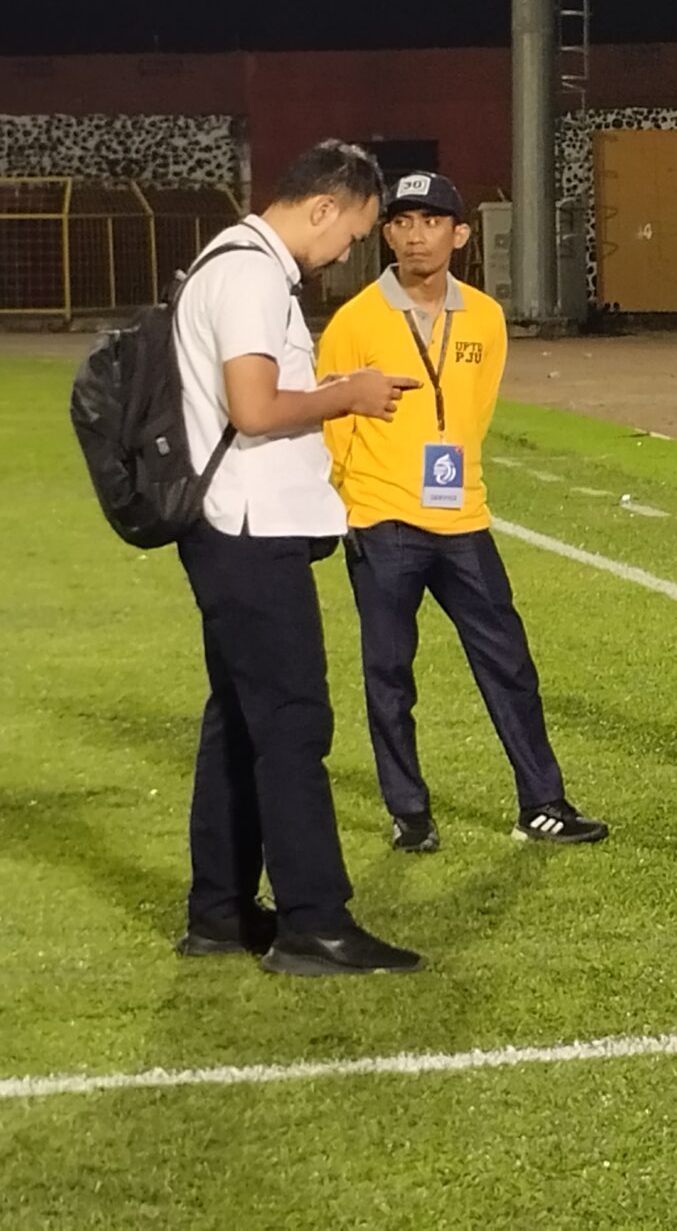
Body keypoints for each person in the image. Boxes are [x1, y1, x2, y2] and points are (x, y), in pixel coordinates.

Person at [169, 139, 427, 975]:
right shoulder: (248, 272)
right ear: (322, 207)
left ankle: (219, 911)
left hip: (232, 530)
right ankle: (314, 921)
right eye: (350, 232)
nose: (348, 250)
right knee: (290, 723)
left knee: (239, 721)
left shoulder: (230, 263)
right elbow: (253, 407)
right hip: (248, 534)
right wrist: (347, 394)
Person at [316, 171, 608, 854]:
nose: (416, 234)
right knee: (389, 671)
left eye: (431, 221)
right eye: (403, 222)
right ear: (387, 232)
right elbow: (332, 417)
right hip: (383, 519)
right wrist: (352, 505)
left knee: (509, 662)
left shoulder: (485, 315)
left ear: (460, 232)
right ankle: (409, 811)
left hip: (463, 518)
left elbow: (474, 406)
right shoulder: (356, 320)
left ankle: (543, 803)